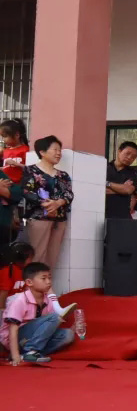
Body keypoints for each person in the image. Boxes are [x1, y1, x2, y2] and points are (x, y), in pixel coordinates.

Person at [3, 262, 74, 365]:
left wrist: (73, 328)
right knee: (55, 317)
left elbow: (47, 327)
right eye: (43, 278)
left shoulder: (47, 300)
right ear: (29, 282)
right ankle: (30, 351)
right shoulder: (19, 300)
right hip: (17, 339)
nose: (48, 282)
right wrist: (15, 355)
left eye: (49, 278)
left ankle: (29, 353)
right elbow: (12, 329)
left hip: (31, 339)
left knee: (67, 335)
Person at [22, 136, 73, 269]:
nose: (59, 153)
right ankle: (34, 281)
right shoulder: (30, 170)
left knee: (53, 256)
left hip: (59, 219)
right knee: (37, 253)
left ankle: (47, 281)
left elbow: (69, 194)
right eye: (55, 149)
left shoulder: (63, 175)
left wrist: (58, 203)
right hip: (39, 217)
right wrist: (47, 204)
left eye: (60, 150)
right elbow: (27, 191)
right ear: (42, 152)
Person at [105, 141, 137, 219]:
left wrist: (107, 183)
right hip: (102, 213)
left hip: (122, 216)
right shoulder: (104, 167)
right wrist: (121, 189)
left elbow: (128, 190)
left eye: (133, 157)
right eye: (127, 153)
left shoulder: (134, 173)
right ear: (119, 151)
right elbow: (99, 190)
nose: (129, 158)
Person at [0, 241, 34, 310]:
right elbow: (3, 292)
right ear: (21, 258)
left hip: (17, 303)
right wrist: (2, 309)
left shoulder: (26, 270)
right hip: (7, 303)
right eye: (30, 258)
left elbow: (27, 289)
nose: (31, 261)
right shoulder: (8, 270)